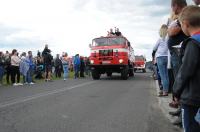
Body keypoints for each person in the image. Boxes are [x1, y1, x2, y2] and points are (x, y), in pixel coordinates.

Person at [173, 5, 200, 132]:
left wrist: (176, 91)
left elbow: (185, 71)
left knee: (190, 127)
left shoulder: (193, 44)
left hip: (192, 98)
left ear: (185, 24)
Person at [153, 24, 169, 96]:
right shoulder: (169, 38)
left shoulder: (160, 39)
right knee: (166, 75)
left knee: (162, 75)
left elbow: (154, 48)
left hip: (160, 57)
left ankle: (164, 91)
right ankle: (166, 90)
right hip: (167, 57)